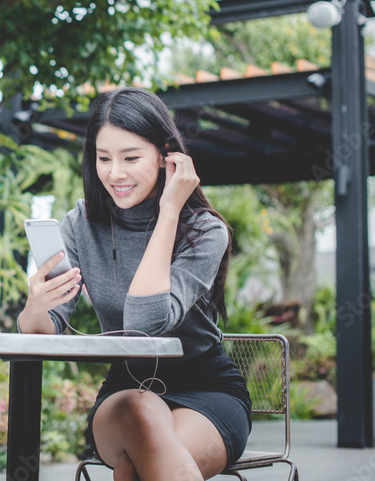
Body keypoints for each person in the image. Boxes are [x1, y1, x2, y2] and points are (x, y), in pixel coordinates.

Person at [17, 87, 250, 481]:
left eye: (131, 158)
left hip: (207, 392)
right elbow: (40, 336)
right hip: (124, 393)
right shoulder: (80, 224)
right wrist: (36, 306)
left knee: (132, 470)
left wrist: (170, 209)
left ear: (165, 156)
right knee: (139, 411)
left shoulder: (205, 232)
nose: (115, 173)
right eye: (104, 158)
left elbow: (146, 320)